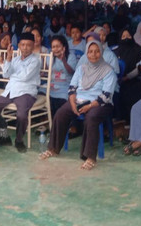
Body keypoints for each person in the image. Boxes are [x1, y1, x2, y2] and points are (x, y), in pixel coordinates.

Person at [39, 39, 117, 169]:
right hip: (79, 100)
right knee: (61, 113)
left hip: (101, 104)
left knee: (91, 118)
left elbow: (106, 96)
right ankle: (53, 148)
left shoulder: (108, 71)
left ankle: (90, 157)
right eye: (90, 52)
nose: (93, 54)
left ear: (101, 52)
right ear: (87, 53)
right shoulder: (82, 68)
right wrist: (73, 103)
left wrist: (90, 106)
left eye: (97, 51)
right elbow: (72, 88)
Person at [0, 32, 41, 153]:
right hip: (10, 90)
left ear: (33, 46)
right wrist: (8, 59)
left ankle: (19, 140)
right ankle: (3, 135)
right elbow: (5, 74)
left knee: (21, 115)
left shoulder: (36, 60)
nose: (25, 48)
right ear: (19, 45)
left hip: (26, 92)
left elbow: (25, 77)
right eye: (23, 45)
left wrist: (13, 75)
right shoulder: (14, 60)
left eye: (28, 45)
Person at [48, 35, 77, 119]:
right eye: (53, 47)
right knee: (41, 94)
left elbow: (71, 72)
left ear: (64, 47)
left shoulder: (70, 56)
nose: (56, 49)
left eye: (58, 46)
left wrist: (64, 61)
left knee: (61, 100)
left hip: (65, 85)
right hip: (52, 85)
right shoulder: (50, 57)